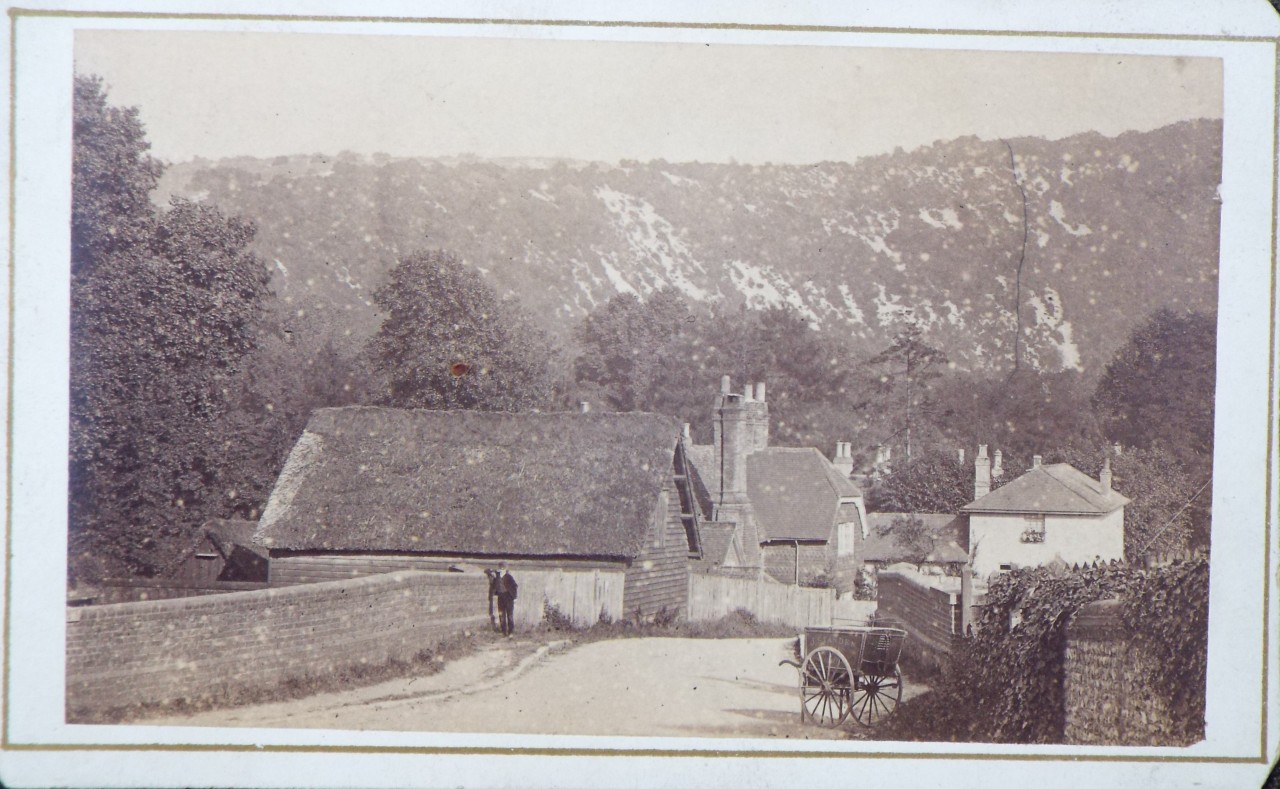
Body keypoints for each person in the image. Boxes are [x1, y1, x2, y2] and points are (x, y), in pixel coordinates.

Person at [496, 565, 519, 637]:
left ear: (506, 569)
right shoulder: (497, 578)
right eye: (500, 568)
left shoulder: (509, 577)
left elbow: (515, 586)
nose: (501, 569)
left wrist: (514, 596)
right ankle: (503, 631)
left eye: (503, 568)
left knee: (510, 615)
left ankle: (511, 632)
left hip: (508, 597)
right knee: (501, 615)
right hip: (500, 598)